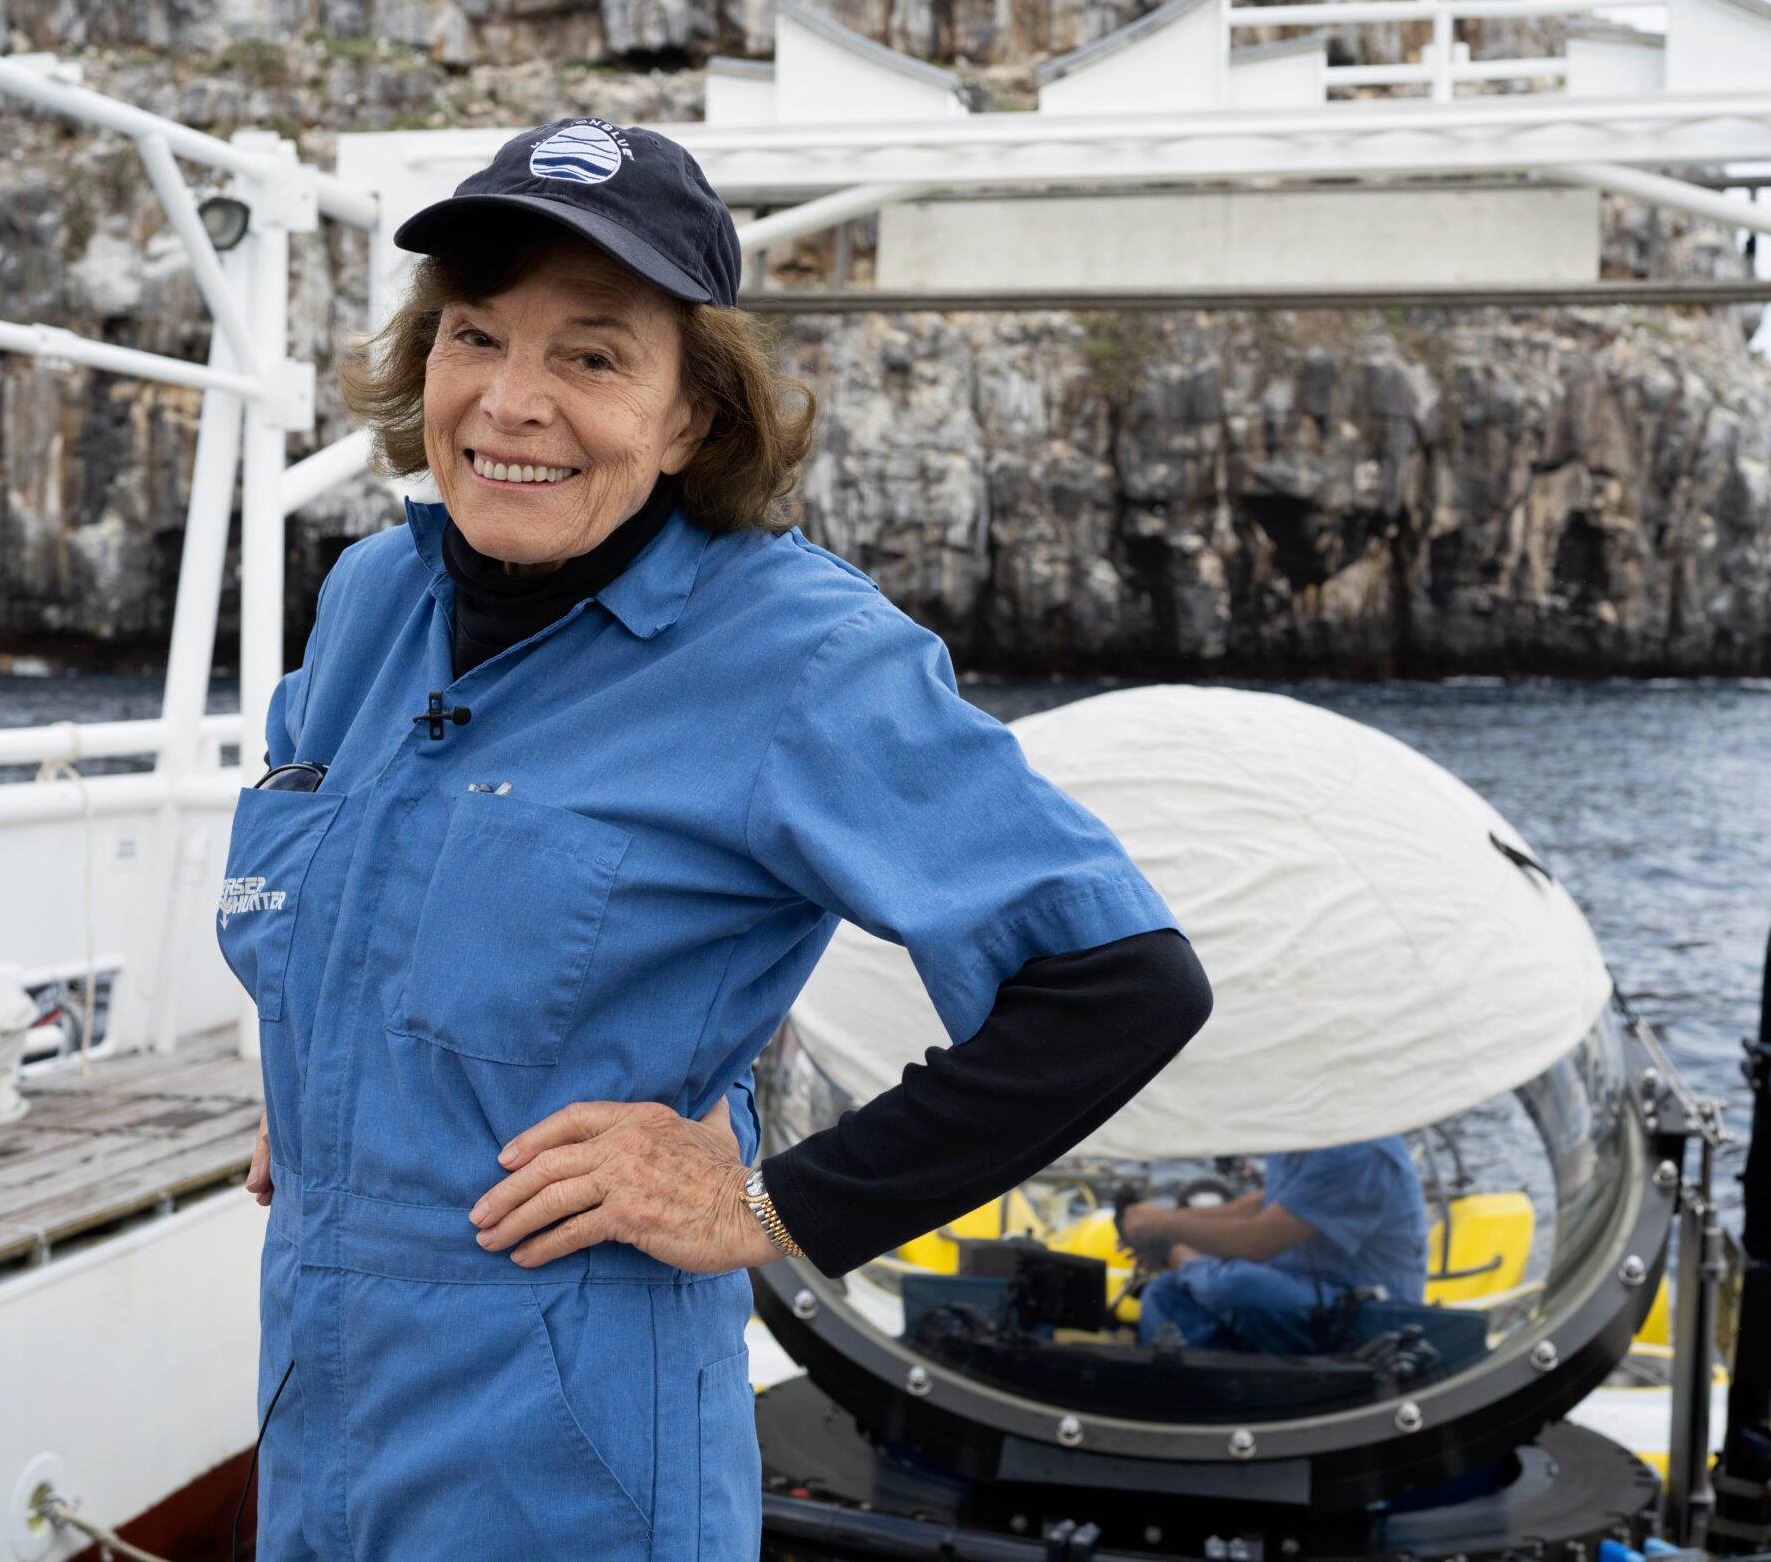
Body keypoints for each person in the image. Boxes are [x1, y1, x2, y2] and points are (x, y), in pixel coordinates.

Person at [216, 117, 1214, 1561]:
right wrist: (345, 1059)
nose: (509, 400)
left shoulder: (798, 658)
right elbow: (357, 887)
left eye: (592, 354)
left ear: (692, 415)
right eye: (473, 335)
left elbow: (1117, 983)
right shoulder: (373, 596)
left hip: (564, 1467)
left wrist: (768, 1200)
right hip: (319, 1424)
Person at [1120, 1138, 1427, 1355]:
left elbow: (1258, 1242)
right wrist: (1162, 1224)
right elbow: (1264, 1205)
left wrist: (1167, 1235)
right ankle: (1192, 1392)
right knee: (1165, 1293)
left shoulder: (1360, 1146)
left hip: (1370, 1316)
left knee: (1242, 1284)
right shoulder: (1302, 1133)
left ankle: (1183, 1262)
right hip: (1301, 1303)